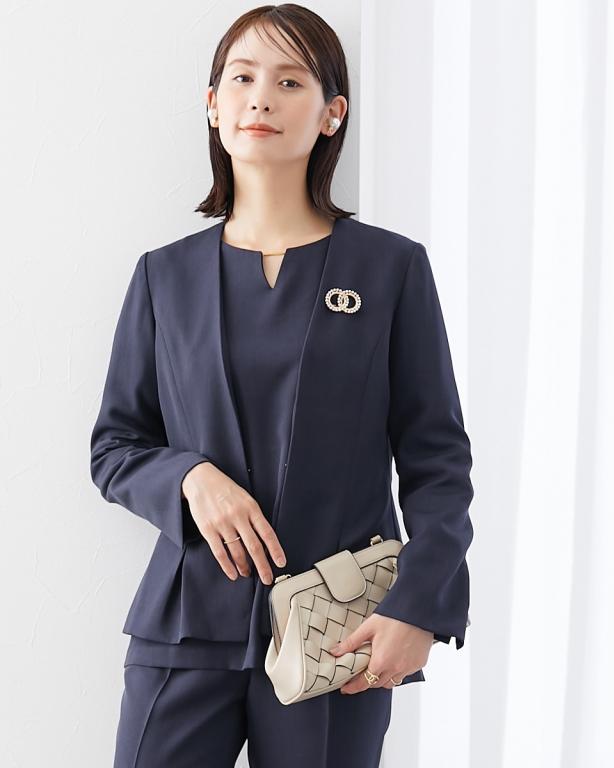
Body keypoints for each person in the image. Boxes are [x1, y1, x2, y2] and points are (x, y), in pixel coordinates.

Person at [89, 4, 474, 767]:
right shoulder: (164, 277)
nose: (261, 97)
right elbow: (115, 447)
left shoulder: (390, 270)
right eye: (242, 78)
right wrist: (190, 478)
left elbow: (437, 460)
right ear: (213, 105)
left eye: (290, 81)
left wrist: (419, 606)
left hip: (338, 629)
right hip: (183, 627)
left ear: (332, 114)